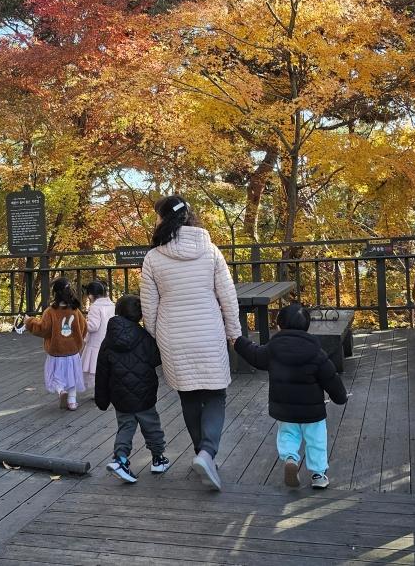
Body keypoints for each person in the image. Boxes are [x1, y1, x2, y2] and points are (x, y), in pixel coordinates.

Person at [139, 195, 240, 491]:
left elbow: (149, 307)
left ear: (164, 219)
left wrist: (159, 337)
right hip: (209, 330)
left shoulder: (153, 258)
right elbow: (227, 297)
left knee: (189, 396)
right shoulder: (211, 252)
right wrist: (234, 333)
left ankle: (202, 454)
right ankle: (208, 453)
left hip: (174, 334)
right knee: (216, 393)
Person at [232, 304, 348, 489]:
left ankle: (290, 458)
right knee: (316, 439)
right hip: (313, 410)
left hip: (284, 408)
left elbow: (255, 355)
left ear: (279, 326)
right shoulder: (316, 352)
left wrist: (239, 342)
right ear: (307, 327)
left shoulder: (273, 349)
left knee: (287, 434)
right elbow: (330, 377)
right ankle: (318, 474)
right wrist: (340, 397)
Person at [95, 295, 169, 483]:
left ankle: (120, 458)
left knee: (126, 427)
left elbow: (102, 371)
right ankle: (158, 458)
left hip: (120, 396)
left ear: (118, 312)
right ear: (140, 315)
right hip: (144, 393)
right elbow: (156, 359)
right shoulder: (144, 337)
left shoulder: (108, 341)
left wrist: (102, 399)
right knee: (151, 425)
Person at [25, 277, 88, 410]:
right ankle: (72, 401)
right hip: (72, 351)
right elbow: (84, 327)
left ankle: (60, 391)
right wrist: (78, 340)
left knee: (55, 375)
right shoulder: (75, 310)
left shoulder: (50, 311)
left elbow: (43, 329)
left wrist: (29, 322)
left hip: (56, 351)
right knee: (72, 376)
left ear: (55, 293)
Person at [81, 281, 115, 383]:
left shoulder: (95, 307)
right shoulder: (111, 305)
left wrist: (82, 323)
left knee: (95, 369)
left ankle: (97, 391)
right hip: (109, 341)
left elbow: (93, 326)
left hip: (95, 343)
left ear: (90, 295)